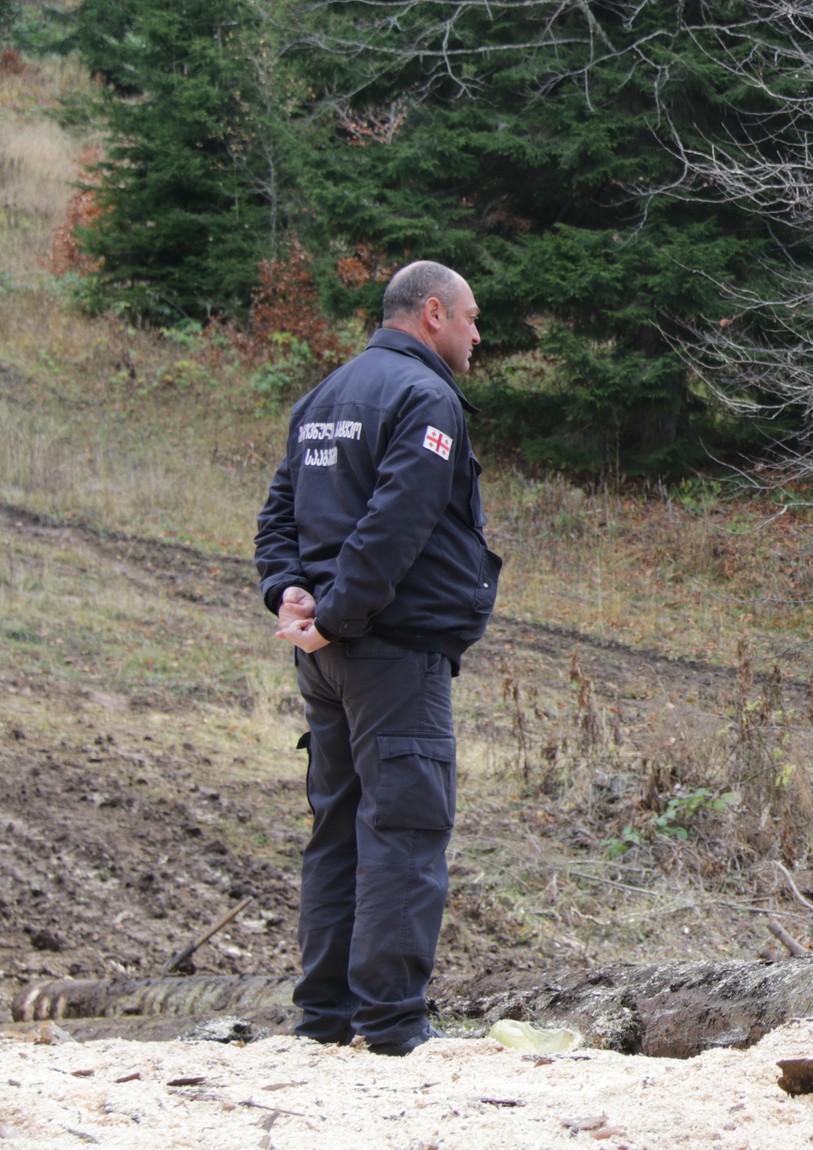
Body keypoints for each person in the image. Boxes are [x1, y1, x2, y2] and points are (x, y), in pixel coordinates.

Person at [253, 261, 500, 1055]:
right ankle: (393, 1025)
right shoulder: (425, 398)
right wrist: (331, 611)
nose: (476, 334)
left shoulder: (324, 397)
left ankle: (323, 1021)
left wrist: (289, 591)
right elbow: (399, 522)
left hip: (328, 658)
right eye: (469, 318)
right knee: (403, 826)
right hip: (388, 654)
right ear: (432, 313)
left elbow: (277, 519)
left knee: (338, 830)